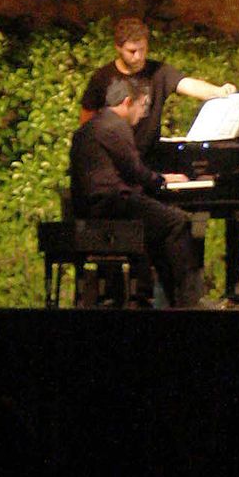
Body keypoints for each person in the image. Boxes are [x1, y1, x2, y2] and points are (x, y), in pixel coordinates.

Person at [69, 75, 207, 308]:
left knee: (158, 224)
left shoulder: (89, 128)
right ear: (126, 102)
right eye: (142, 105)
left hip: (91, 207)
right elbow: (135, 171)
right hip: (113, 204)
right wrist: (163, 179)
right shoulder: (115, 126)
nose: (143, 114)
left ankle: (157, 298)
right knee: (176, 222)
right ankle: (186, 302)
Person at [80, 15, 237, 154]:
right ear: (118, 47)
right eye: (132, 51)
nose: (138, 56)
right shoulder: (102, 77)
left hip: (149, 154)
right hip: (115, 156)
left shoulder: (158, 72)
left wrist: (219, 91)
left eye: (143, 49)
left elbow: (187, 84)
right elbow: (87, 119)